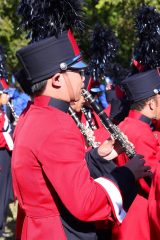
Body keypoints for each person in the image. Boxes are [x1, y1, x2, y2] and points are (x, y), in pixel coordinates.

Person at [11, 31, 151, 240]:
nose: (83, 79)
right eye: (79, 73)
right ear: (57, 79)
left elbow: (49, 172)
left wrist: (96, 157)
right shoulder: (56, 124)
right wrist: (128, 174)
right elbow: (86, 203)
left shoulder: (31, 114)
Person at [112, 69, 160, 240]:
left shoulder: (127, 124)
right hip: (138, 217)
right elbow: (150, 180)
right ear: (152, 104)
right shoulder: (141, 131)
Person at [0, 79, 14, 237]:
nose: (7, 97)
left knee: (4, 191)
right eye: (4, 93)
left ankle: (2, 224)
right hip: (1, 153)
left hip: (6, 154)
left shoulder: (3, 110)